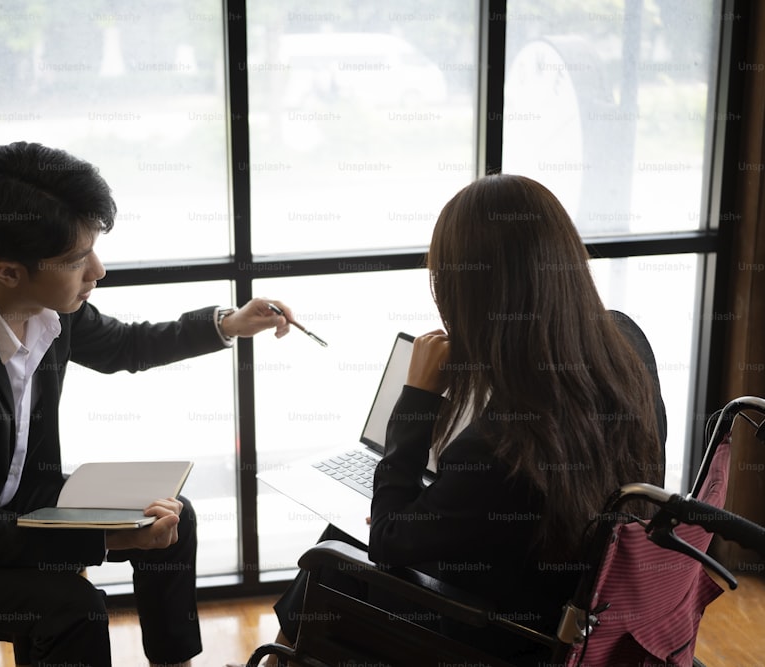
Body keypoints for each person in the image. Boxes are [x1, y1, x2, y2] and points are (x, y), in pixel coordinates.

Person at [0, 141, 293, 667]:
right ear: (8, 270)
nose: (98, 269)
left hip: (9, 502)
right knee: (74, 608)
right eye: (77, 259)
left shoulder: (49, 307)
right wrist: (107, 539)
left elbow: (127, 345)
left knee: (172, 519)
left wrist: (229, 324)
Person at [267, 174, 667, 665]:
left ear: (470, 294)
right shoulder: (626, 344)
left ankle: (279, 659)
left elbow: (387, 540)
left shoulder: (501, 445)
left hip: (503, 635)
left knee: (331, 559)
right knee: (339, 549)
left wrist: (417, 398)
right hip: (582, 612)